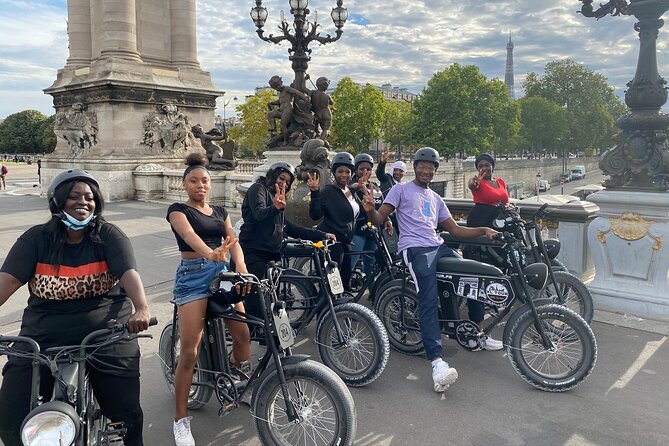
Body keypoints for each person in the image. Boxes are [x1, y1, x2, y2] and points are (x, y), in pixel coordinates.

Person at [0, 169, 152, 446]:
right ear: (57, 201)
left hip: (105, 333)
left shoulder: (108, 235)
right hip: (42, 333)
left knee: (125, 413)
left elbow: (129, 273)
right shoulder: (35, 239)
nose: (83, 202)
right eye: (73, 196)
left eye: (89, 197)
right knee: (12, 411)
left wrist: (141, 308)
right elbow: (7, 281)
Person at [361, 147, 498, 393]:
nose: (426, 170)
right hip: (415, 249)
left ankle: (477, 333)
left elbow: (455, 230)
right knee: (427, 296)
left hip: (438, 246)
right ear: (415, 167)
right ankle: (437, 362)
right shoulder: (400, 189)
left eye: (431, 167)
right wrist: (370, 210)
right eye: (422, 166)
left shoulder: (435, 198)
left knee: (472, 275)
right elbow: (379, 219)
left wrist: (483, 231)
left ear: (435, 171)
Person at [167, 153, 251, 446]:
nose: (200, 185)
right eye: (193, 181)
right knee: (190, 351)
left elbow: (233, 240)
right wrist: (210, 252)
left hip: (222, 272)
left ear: (210, 184)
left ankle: (229, 374)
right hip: (193, 275)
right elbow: (190, 236)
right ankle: (180, 420)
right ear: (184, 184)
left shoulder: (219, 210)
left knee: (243, 337)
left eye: (204, 180)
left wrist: (239, 266)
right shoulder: (177, 210)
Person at [238, 161, 335, 315]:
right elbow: (258, 213)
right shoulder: (258, 189)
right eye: (281, 178)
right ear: (273, 175)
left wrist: (321, 235)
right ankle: (250, 334)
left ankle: (268, 335)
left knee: (271, 301)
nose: (284, 183)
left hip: (272, 254)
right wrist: (275, 208)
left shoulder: (278, 201)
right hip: (254, 252)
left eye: (288, 182)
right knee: (257, 304)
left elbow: (290, 228)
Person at [463, 153, 508, 350]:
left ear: (493, 166)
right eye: (480, 165)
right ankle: (477, 332)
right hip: (481, 232)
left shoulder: (500, 182)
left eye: (487, 165)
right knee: (478, 279)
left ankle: (493, 303)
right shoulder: (477, 182)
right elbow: (472, 186)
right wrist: (476, 181)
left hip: (498, 232)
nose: (484, 168)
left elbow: (503, 202)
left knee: (497, 272)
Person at [307, 152, 358, 293]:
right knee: (332, 286)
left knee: (345, 285)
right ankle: (325, 314)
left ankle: (342, 313)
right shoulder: (329, 191)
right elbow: (315, 215)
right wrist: (315, 192)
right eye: (340, 171)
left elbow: (351, 208)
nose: (344, 175)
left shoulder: (347, 191)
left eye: (347, 171)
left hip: (346, 243)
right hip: (333, 244)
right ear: (334, 172)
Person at [349, 153, 393, 279]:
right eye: (362, 168)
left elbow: (381, 206)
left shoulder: (375, 187)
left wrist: (387, 219)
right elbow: (345, 196)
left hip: (373, 231)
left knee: (370, 263)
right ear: (356, 170)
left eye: (368, 169)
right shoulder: (351, 185)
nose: (365, 171)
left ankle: (371, 289)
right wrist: (358, 186)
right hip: (357, 231)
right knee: (351, 262)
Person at [267, 75, 310, 145]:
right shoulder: (280, 93)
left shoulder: (286, 89)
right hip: (281, 111)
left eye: (278, 85)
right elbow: (280, 101)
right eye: (275, 87)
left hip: (288, 110)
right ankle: (273, 127)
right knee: (270, 114)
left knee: (282, 125)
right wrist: (272, 103)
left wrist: (304, 98)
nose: (278, 87)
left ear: (281, 82)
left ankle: (285, 141)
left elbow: (296, 92)